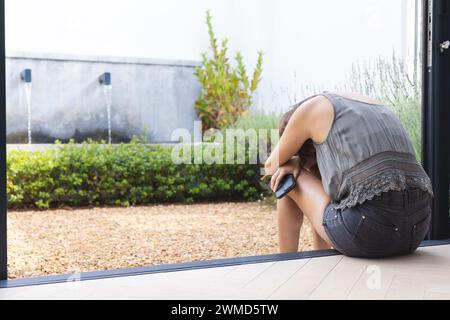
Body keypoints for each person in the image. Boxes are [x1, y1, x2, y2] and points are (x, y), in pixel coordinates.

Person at [264, 91, 434, 258]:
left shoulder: (310, 109)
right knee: (313, 178)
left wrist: (295, 160)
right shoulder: (375, 105)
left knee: (284, 176)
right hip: (416, 233)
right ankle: (320, 256)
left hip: (370, 231)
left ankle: (285, 260)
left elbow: (271, 164)